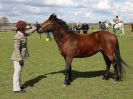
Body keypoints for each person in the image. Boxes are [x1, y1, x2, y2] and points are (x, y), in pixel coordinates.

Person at [11, 20, 37, 93]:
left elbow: (29, 32)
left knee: (19, 72)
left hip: (21, 57)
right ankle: (16, 89)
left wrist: (35, 27)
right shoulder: (17, 37)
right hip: (17, 58)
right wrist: (19, 59)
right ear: (21, 28)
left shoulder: (23, 33)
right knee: (17, 72)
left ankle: (19, 86)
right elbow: (16, 49)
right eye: (25, 27)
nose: (26, 28)